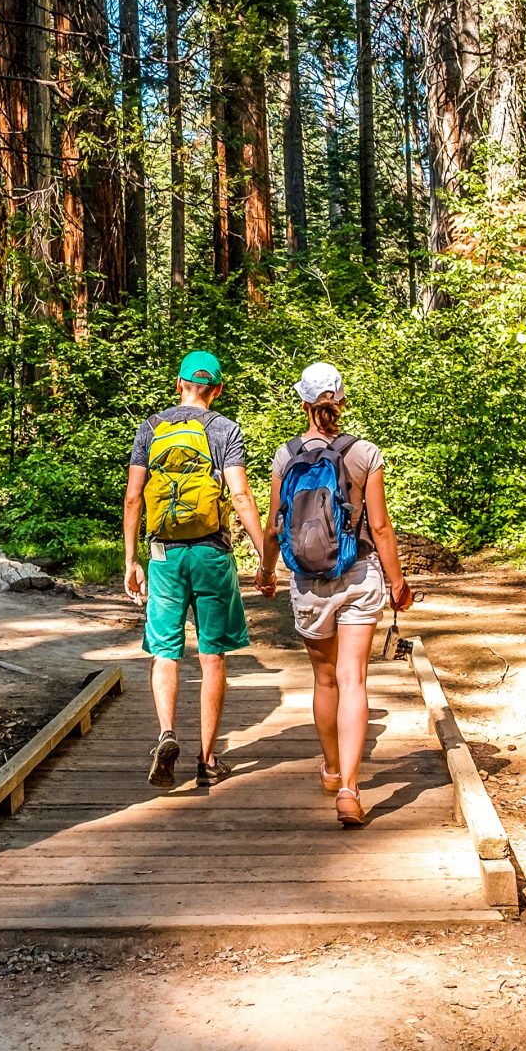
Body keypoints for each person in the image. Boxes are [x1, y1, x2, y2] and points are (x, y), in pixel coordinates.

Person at [257, 362, 413, 828]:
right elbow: (380, 526)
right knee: (355, 681)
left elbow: (273, 526)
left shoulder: (285, 457)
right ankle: (349, 787)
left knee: (325, 680)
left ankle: (329, 768)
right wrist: (398, 581)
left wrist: (266, 572)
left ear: (303, 402)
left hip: (308, 581)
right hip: (360, 572)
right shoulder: (365, 454)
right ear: (341, 399)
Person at [123, 350, 274, 793]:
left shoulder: (152, 427)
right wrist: (265, 560)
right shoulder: (225, 429)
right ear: (218, 389)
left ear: (179, 384)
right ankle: (207, 759)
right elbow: (241, 496)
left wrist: (132, 559)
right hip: (211, 552)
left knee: (165, 650)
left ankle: (166, 733)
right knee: (212, 656)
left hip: (164, 554)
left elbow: (134, 498)